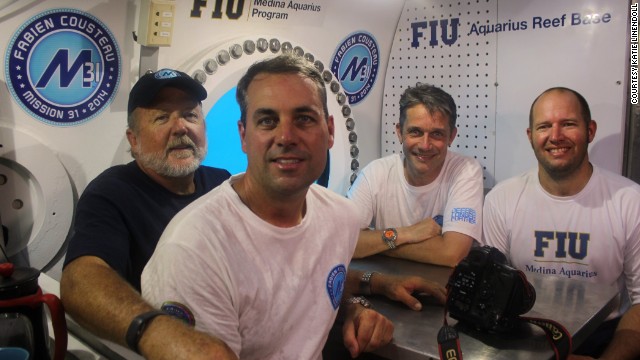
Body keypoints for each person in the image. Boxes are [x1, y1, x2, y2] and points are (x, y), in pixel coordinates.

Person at [141, 55, 446, 360]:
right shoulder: (193, 250)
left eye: (303, 119)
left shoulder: (341, 217)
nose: (286, 137)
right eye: (267, 121)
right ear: (244, 136)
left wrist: (356, 306)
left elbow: (313, 283)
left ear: (329, 132)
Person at [60, 68, 237, 359]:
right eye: (162, 117)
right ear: (134, 140)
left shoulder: (222, 182)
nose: (180, 128)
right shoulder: (112, 193)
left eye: (190, 115)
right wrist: (156, 331)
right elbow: (81, 279)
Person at [482, 87, 640, 360]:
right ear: (531, 137)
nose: (555, 136)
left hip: (603, 339)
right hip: (523, 335)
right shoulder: (501, 200)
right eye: (544, 126)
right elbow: (493, 292)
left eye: (568, 124)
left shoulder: (630, 201)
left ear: (590, 131)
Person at [346, 83, 483, 266]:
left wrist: (377, 243)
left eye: (436, 134)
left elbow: (452, 254)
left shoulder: (465, 170)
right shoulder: (375, 173)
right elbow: (344, 240)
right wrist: (407, 233)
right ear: (399, 132)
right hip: (387, 285)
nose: (425, 145)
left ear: (451, 136)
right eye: (415, 132)